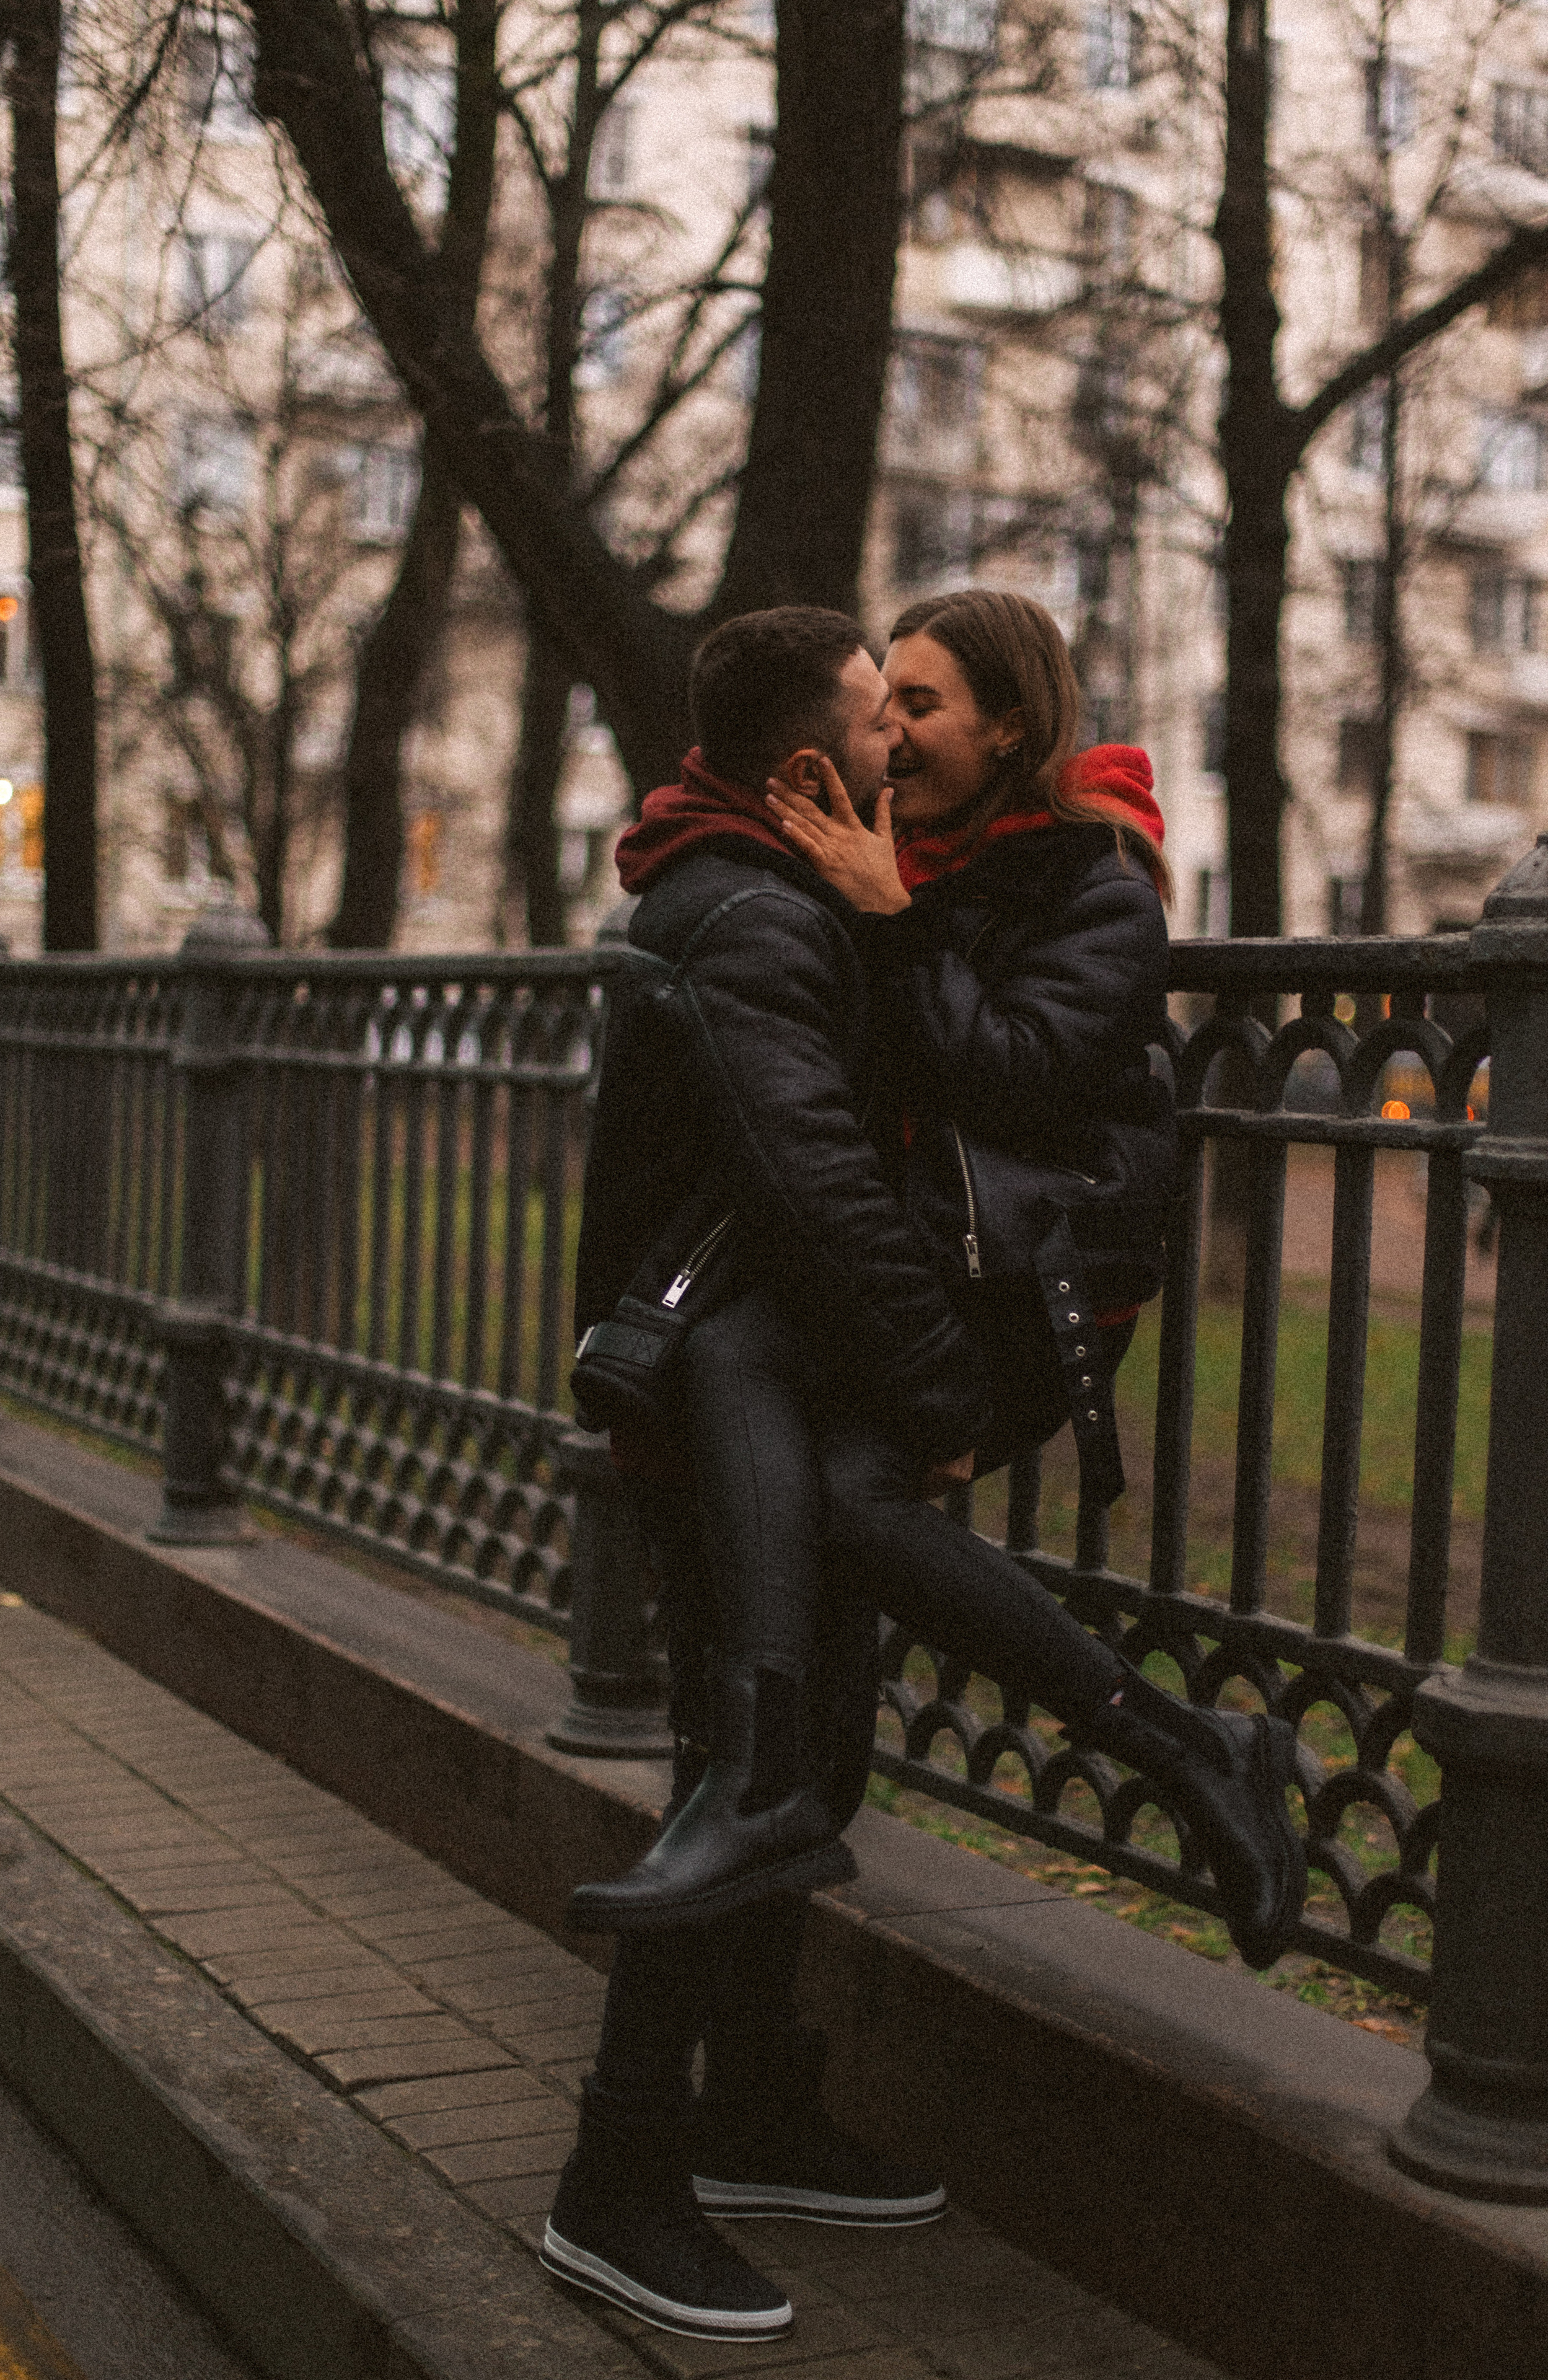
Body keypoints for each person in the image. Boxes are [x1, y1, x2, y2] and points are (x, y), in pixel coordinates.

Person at [543, 598, 1304, 2344]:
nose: (904, 731)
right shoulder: (782, 899)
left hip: (882, 1336)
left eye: (928, 702)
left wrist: (892, 921)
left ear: (1009, 724)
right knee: (754, 1749)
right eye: (886, 705)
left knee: (789, 1735)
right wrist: (929, 1371)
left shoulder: (992, 879)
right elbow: (815, 1166)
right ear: (817, 754)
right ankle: (626, 2170)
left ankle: (742, 2110)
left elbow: (1002, 1085)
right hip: (777, 1361)